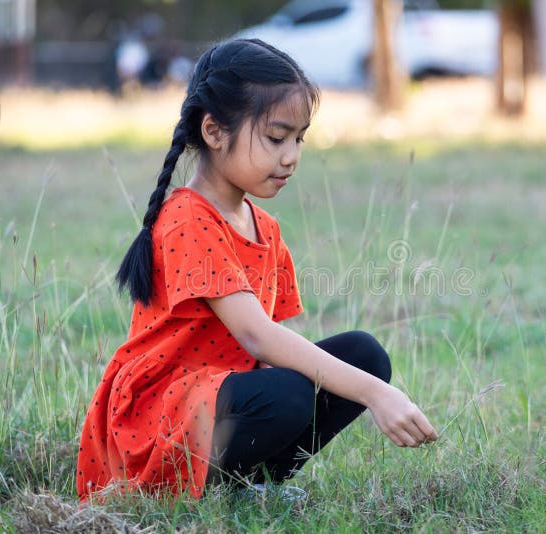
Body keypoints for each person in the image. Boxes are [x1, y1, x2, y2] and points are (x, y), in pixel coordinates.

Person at [76, 38, 438, 503]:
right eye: (275, 137)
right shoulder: (188, 218)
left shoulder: (265, 228)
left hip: (220, 400)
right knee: (290, 395)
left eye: (299, 138)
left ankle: (245, 485)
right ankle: (199, 489)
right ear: (213, 131)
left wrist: (368, 381)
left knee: (363, 355)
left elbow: (270, 352)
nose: (291, 156)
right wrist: (376, 396)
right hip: (158, 420)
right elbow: (257, 337)